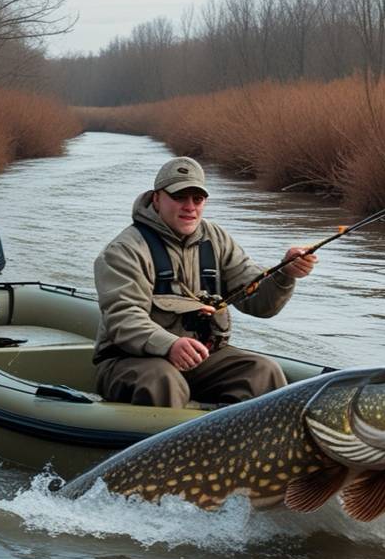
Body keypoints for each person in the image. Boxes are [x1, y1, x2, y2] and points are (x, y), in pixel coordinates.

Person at [92, 156, 318, 408]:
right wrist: (170, 345)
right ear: (156, 198)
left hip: (202, 359)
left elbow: (260, 303)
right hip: (129, 362)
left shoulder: (217, 239)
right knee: (163, 380)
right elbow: (123, 318)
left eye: (197, 199)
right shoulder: (123, 250)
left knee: (263, 371)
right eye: (179, 197)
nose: (190, 207)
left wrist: (284, 274)